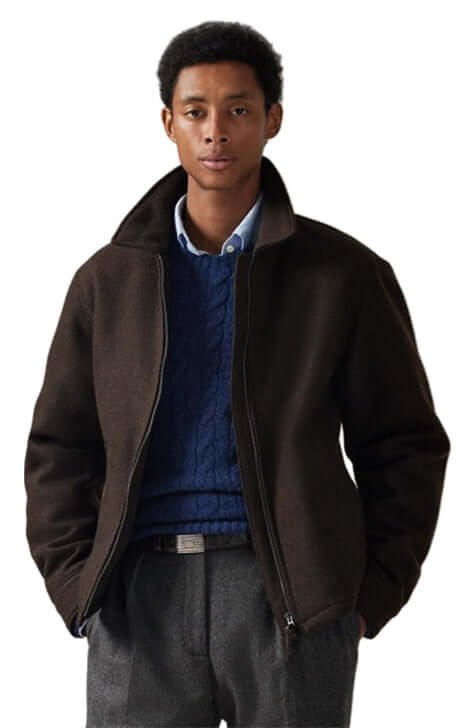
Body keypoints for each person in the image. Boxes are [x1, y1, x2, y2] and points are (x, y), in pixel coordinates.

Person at [24, 20, 450, 728]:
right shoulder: (108, 282)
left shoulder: (342, 276)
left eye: (238, 109)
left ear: (272, 119)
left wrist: (366, 595)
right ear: (169, 123)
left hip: (289, 599)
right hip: (138, 599)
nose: (216, 131)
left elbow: (405, 442)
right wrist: (78, 587)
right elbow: (59, 447)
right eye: (196, 111)